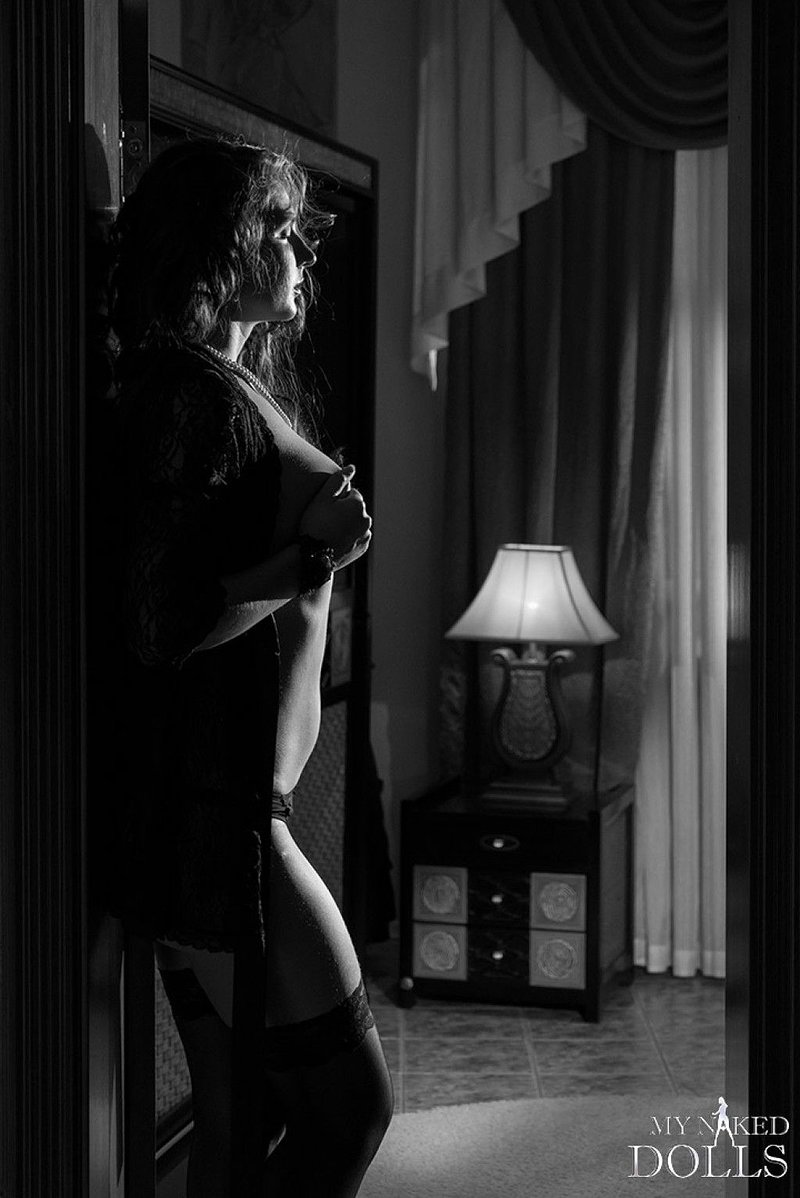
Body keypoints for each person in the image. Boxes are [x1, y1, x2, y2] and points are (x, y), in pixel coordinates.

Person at [105, 136, 393, 1197]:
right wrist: (316, 555)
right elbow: (159, 623)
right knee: (350, 1109)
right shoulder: (187, 394)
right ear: (218, 245)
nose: (302, 252)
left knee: (243, 1116)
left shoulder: (221, 384)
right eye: (277, 228)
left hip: (228, 812)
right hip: (222, 825)